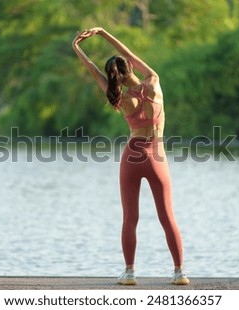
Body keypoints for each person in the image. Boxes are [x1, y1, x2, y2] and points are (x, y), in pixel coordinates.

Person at [72, 27, 189, 285]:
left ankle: (129, 273)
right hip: (156, 155)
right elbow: (128, 53)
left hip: (132, 155)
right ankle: (179, 272)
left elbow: (93, 71)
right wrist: (103, 33)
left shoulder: (123, 100)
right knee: (167, 216)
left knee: (130, 218)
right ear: (131, 70)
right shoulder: (154, 81)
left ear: (116, 79)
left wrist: (77, 48)